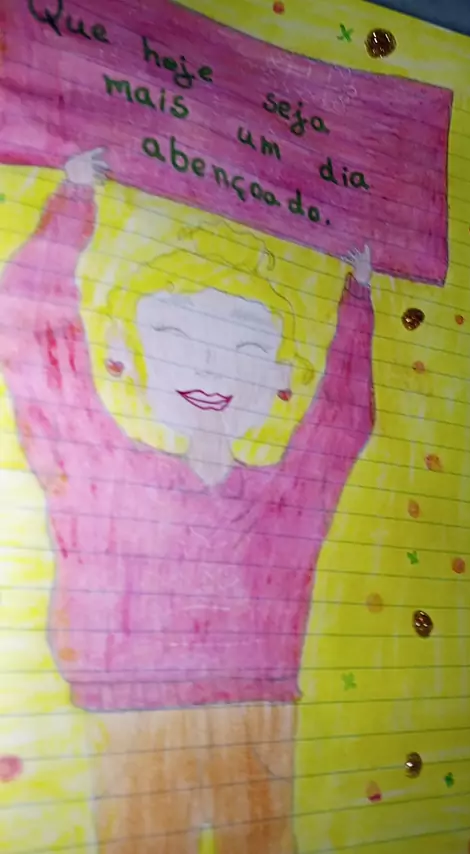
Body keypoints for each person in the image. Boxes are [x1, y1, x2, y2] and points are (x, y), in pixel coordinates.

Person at [0, 148, 375, 853]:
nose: (210, 368)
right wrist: (72, 206)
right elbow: (39, 353)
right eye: (174, 336)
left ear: (279, 381)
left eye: (245, 349)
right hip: (138, 716)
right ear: (126, 356)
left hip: (256, 713)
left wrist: (359, 302)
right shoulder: (101, 469)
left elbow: (339, 427)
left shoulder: (286, 498)